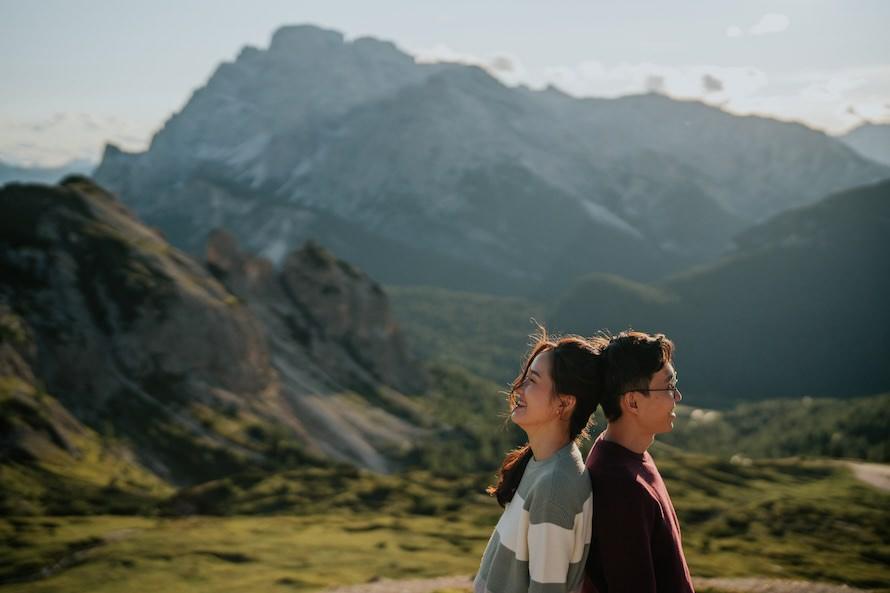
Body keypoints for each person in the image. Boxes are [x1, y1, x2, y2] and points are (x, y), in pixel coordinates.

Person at [474, 329, 607, 593]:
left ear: (565, 403)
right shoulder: (541, 464)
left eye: (532, 380)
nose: (519, 387)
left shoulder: (554, 486)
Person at [581, 331, 694, 593]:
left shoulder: (632, 457)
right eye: (668, 386)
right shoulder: (620, 486)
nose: (677, 396)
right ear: (632, 401)